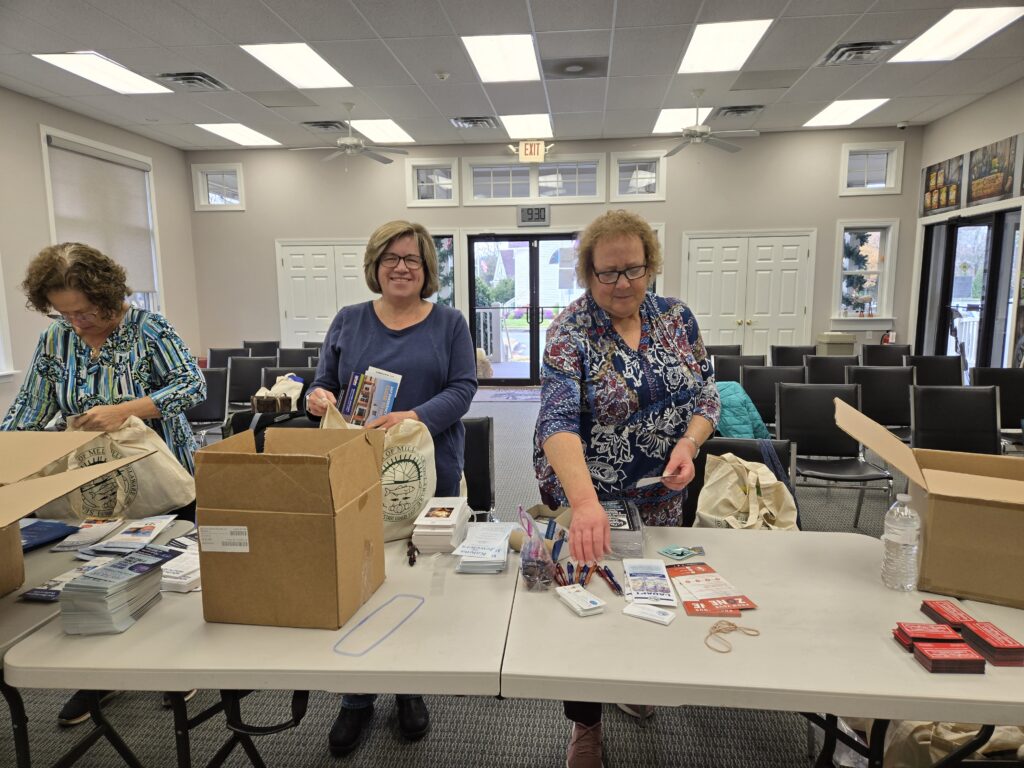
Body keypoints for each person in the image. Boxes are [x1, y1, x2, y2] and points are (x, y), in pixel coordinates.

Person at [533, 209, 720, 768]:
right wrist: (585, 504)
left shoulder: (676, 318)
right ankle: (585, 724)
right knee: (588, 600)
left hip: (661, 496)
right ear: (588, 273)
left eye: (633, 270)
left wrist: (688, 444)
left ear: (650, 265)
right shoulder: (569, 332)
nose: (622, 284)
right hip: (591, 498)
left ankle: (635, 678)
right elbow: (556, 421)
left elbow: (707, 394)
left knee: (647, 592)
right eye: (607, 273)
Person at [1, 241, 206, 726]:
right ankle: (99, 676)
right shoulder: (55, 340)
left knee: (166, 576)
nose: (77, 323)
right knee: (96, 577)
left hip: (159, 477)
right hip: (90, 489)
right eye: (65, 313)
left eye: (86, 312)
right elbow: (28, 409)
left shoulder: (148, 328)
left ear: (108, 296)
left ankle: (173, 666)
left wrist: (125, 410)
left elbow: (191, 386)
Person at [305, 220, 477, 757]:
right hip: (357, 468)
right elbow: (324, 382)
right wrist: (316, 397)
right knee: (357, 575)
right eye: (391, 259)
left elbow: (464, 388)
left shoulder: (449, 323)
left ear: (427, 269)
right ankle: (355, 696)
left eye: (412, 259)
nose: (401, 268)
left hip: (428, 469)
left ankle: (408, 684)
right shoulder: (349, 320)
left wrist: (413, 416)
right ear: (375, 266)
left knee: (416, 577)